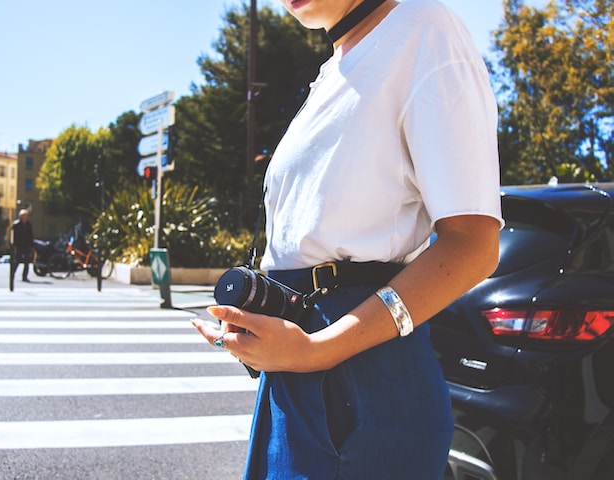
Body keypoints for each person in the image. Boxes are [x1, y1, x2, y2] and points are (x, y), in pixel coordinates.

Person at [192, 0, 504, 478]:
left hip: (363, 385)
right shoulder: (334, 69)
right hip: (299, 375)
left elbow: (473, 244)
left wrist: (318, 349)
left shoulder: (425, 30)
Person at [11, 209, 34, 282]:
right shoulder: (16, 225)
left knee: (27, 262)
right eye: (24, 216)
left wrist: (31, 245)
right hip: (19, 245)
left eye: (26, 216)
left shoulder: (29, 224)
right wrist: (14, 245)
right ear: (21, 217)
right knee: (17, 261)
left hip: (27, 245)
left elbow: (31, 235)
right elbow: (14, 236)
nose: (25, 217)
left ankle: (25, 277)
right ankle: (12, 274)